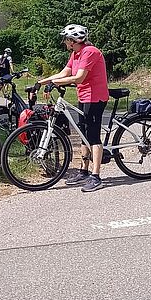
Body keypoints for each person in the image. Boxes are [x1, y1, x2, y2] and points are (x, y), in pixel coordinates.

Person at [37, 24, 109, 192]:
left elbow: (78, 78)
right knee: (83, 133)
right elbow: (64, 73)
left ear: (73, 40)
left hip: (95, 97)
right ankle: (83, 171)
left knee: (92, 135)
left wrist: (54, 84)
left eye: (66, 39)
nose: (64, 42)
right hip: (84, 96)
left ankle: (96, 176)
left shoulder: (90, 52)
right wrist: (41, 82)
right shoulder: (76, 54)